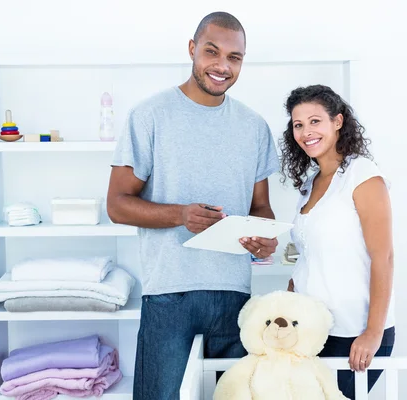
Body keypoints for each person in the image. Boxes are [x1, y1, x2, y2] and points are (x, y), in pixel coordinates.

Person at [106, 12, 280, 400]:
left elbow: (262, 208)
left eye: (234, 58)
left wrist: (264, 239)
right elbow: (117, 204)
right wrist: (179, 215)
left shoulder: (254, 126)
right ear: (192, 49)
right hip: (168, 293)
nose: (222, 66)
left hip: (234, 295)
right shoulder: (149, 115)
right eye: (212, 52)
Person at [281, 84, 396, 399]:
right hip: (310, 330)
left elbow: (383, 257)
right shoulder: (310, 184)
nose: (306, 132)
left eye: (315, 121)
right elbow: (306, 258)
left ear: (338, 122)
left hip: (353, 330)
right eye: (298, 125)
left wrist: (373, 333)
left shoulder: (362, 176)